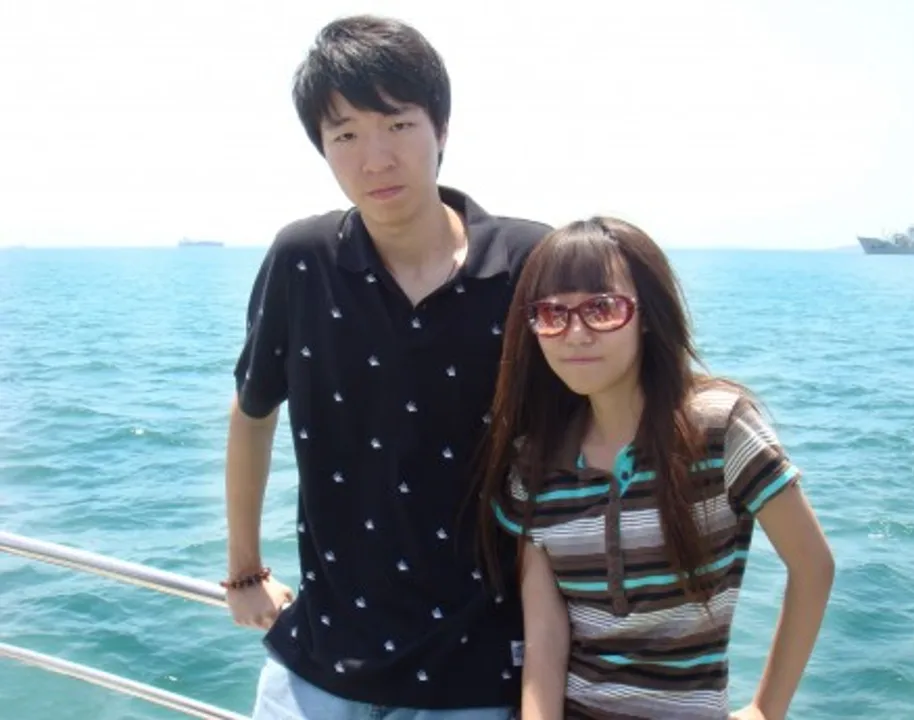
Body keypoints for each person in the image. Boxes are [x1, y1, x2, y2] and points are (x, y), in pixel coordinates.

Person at [223, 14, 550, 720]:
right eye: (344, 135)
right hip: (322, 657)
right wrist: (244, 571)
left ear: (442, 129)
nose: (375, 159)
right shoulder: (302, 260)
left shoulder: (528, 264)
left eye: (398, 125)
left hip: (477, 671)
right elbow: (252, 411)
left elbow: (598, 427)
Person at [479, 217, 834, 719]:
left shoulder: (718, 428)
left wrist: (765, 709)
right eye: (553, 314)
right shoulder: (535, 462)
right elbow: (546, 636)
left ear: (646, 315)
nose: (575, 334)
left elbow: (813, 565)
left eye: (602, 309)